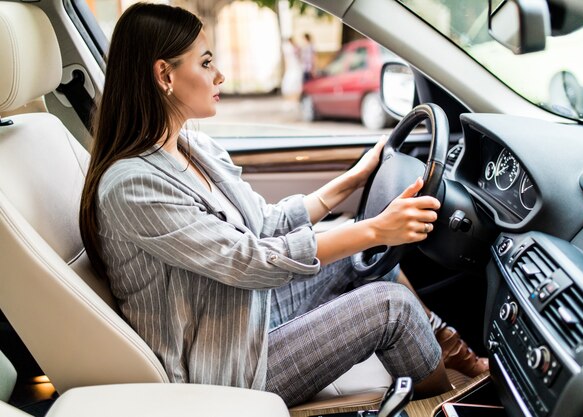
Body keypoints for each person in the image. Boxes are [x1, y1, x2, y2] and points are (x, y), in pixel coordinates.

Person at [79, 3, 484, 408]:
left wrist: (354, 179)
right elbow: (249, 260)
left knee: (364, 253)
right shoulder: (133, 185)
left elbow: (265, 223)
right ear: (164, 75)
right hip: (222, 367)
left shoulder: (192, 147)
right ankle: (445, 404)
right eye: (205, 64)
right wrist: (375, 228)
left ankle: (452, 354)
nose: (220, 75)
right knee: (390, 307)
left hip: (245, 315)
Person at [280, 36, 303, 107]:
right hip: (293, 66)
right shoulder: (288, 48)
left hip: (296, 66)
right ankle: (291, 99)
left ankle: (295, 99)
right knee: (290, 83)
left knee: (295, 83)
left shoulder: (296, 47)